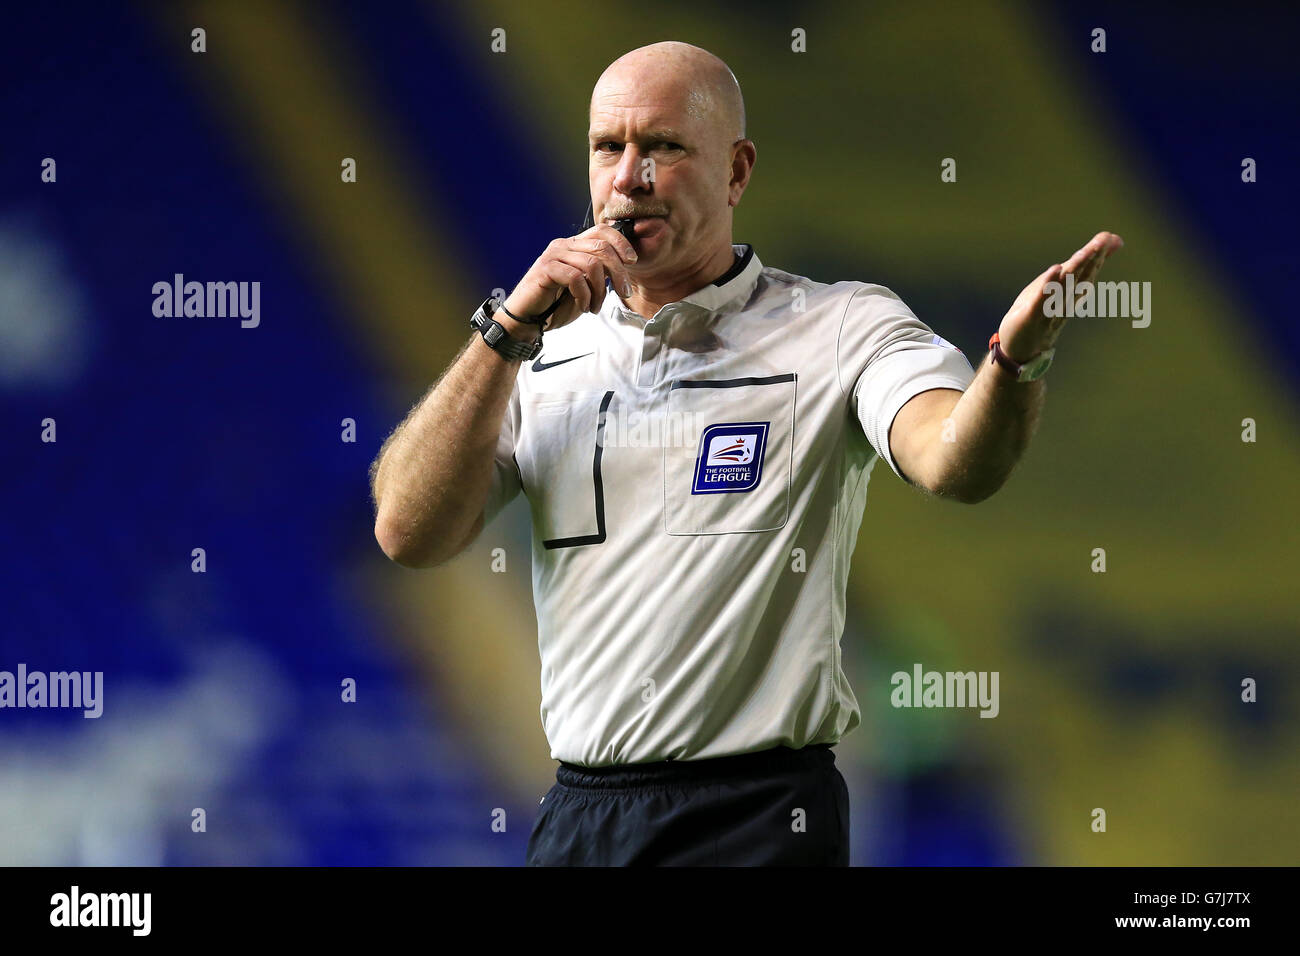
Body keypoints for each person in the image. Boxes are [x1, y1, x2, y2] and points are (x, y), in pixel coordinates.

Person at [369, 41, 1122, 866]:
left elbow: (954, 462)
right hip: (583, 818)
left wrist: (1015, 367)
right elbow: (408, 532)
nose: (629, 177)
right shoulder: (538, 353)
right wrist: (502, 334)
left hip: (759, 820)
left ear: (736, 171)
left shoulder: (840, 328)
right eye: (608, 148)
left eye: (663, 147)